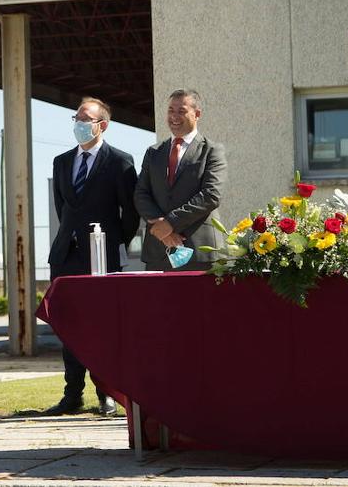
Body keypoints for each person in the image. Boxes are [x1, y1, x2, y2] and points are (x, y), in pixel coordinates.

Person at [44, 99, 139, 417]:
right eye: (76, 118)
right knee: (69, 326)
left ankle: (107, 394)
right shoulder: (61, 162)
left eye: (86, 119)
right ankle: (72, 394)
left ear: (103, 125)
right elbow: (64, 209)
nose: (79, 124)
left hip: (103, 255)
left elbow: (130, 213)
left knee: (104, 327)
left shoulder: (120, 162)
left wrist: (114, 242)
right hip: (66, 255)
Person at [134, 89, 227, 272]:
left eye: (181, 111)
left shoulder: (212, 151)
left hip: (199, 251)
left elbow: (211, 195)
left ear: (197, 114)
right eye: (170, 110)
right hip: (158, 252)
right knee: (157, 302)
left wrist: (170, 224)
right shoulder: (153, 152)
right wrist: (163, 231)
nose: (174, 116)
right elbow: (141, 193)